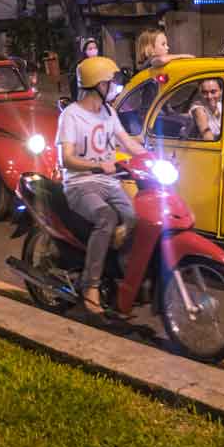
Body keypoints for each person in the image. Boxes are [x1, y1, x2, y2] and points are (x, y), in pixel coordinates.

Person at [56, 55, 147, 317]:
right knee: (106, 217)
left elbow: (126, 142)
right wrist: (95, 166)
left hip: (109, 182)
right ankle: (90, 286)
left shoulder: (109, 113)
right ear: (97, 84)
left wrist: (150, 157)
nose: (113, 86)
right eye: (110, 82)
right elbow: (66, 158)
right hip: (80, 184)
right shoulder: (72, 116)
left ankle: (120, 274)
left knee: (135, 217)